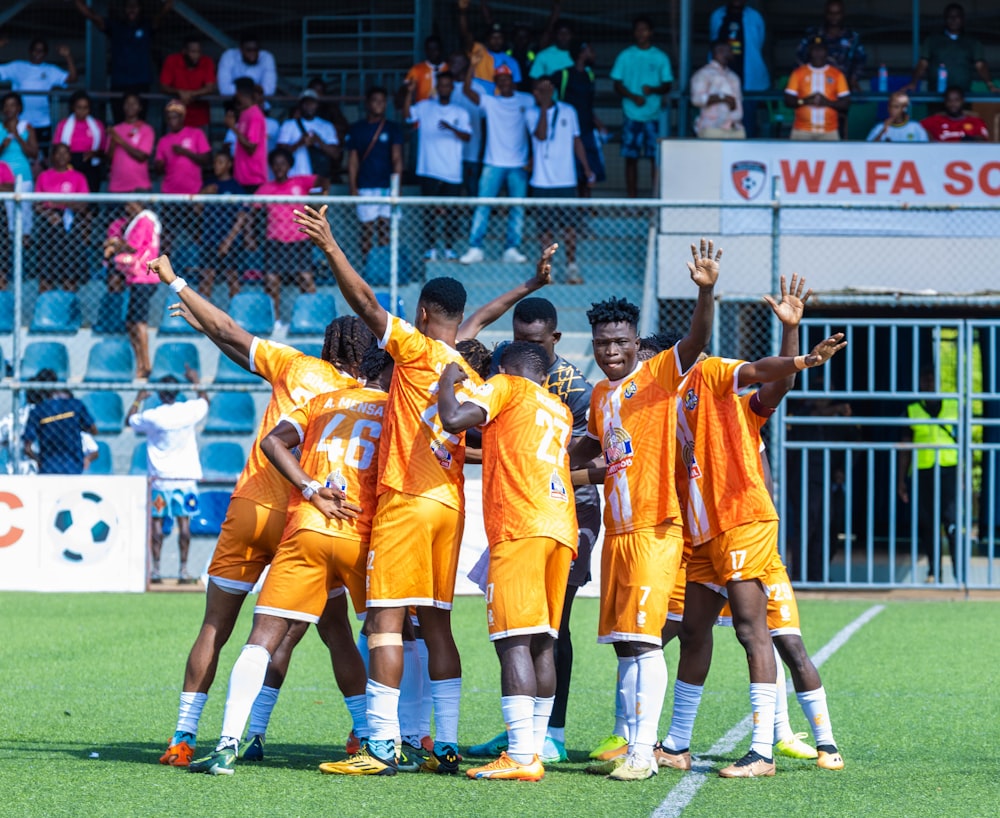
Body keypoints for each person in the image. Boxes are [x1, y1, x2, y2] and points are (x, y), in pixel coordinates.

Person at [293, 203, 554, 777]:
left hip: (406, 499)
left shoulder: (412, 349)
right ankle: (447, 742)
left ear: (420, 312)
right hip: (451, 505)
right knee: (436, 623)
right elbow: (481, 319)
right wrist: (530, 283)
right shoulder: (466, 365)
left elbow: (363, 303)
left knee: (384, 622)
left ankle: (380, 747)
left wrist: (333, 246)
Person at [150, 254, 374, 769]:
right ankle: (363, 733)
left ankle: (184, 737)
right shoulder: (365, 396)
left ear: (327, 346)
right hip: (311, 517)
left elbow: (231, 333)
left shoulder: (295, 368)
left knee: (215, 628)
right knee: (335, 628)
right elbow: (227, 338)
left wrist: (179, 284)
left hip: (254, 504)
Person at [655, 310, 846, 778]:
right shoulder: (659, 406)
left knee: (752, 630)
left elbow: (767, 378)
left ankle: (762, 752)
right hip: (703, 535)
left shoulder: (713, 377)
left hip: (742, 522)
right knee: (694, 632)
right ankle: (677, 745)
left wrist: (798, 352)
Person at [189, 345, 393, 776]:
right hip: (361, 534)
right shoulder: (397, 410)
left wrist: (309, 487)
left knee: (263, 637)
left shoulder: (319, 402)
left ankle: (227, 744)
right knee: (386, 635)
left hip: (308, 527)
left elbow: (271, 441)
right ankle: (386, 742)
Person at [565, 241, 720, 782]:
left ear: (636, 343)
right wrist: (545, 458)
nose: (612, 350)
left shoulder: (657, 375)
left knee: (647, 639)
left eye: (621, 341)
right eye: (604, 342)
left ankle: (643, 751)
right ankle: (635, 742)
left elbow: (697, 338)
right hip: (618, 533)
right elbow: (593, 451)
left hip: (657, 527)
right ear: (595, 344)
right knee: (627, 642)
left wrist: (704, 291)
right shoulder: (602, 398)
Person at [467, 294, 602, 765]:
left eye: (537, 340)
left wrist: (549, 471)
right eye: (522, 338)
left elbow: (597, 459)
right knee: (530, 631)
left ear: (556, 340)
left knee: (538, 631)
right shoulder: (530, 384)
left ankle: (543, 740)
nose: (529, 346)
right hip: (539, 511)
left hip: (558, 511)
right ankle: (527, 736)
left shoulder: (570, 389)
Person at [437, 341, 577, 782]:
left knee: (512, 640)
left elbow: (454, 419)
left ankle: (518, 756)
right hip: (561, 529)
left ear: (503, 368)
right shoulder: (559, 409)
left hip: (520, 526)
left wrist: (447, 382)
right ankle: (532, 750)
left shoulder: (504, 386)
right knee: (542, 643)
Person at [126, 368, 209, 584]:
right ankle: (183, 570)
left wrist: (137, 399)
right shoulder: (188, 410)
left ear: (160, 395)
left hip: (161, 480)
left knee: (156, 524)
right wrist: (196, 382)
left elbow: (129, 420)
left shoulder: (153, 416)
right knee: (184, 524)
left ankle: (156, 570)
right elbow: (205, 401)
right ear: (177, 393)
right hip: (186, 479)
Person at [459, 58, 531, 266]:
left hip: (519, 163)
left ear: (513, 80)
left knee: (517, 207)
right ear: (496, 82)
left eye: (507, 78)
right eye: (500, 79)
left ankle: (512, 248)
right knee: (483, 205)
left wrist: (533, 157)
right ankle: (475, 247)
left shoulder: (525, 100)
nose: (504, 82)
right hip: (493, 162)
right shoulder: (490, 101)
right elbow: (466, 91)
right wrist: (471, 66)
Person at [525, 74, 593, 284]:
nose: (541, 94)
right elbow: (542, 135)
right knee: (545, 229)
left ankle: (571, 266)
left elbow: (576, 140)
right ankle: (548, 268)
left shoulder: (568, 111)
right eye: (538, 90)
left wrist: (587, 169)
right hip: (542, 181)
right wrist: (545, 107)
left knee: (569, 227)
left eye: (545, 90)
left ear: (553, 90)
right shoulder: (531, 113)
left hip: (566, 180)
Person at [250, 147, 327, 319]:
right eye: (275, 165)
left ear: (289, 166)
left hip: (300, 239)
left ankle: (310, 318)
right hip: (275, 241)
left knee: (306, 279)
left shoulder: (300, 182)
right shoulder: (265, 189)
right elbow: (250, 211)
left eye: (283, 164)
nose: (279, 168)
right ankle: (275, 321)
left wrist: (321, 200)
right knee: (271, 281)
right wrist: (250, 235)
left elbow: (323, 181)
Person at [899, 367, 960, 583]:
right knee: (928, 524)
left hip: (949, 471)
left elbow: (966, 444)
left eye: (932, 379)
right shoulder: (913, 409)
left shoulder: (954, 406)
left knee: (952, 523)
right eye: (925, 379)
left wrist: (963, 478)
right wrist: (901, 481)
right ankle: (934, 571)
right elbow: (904, 448)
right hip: (923, 472)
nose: (928, 383)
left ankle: (958, 572)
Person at [402, 71, 471, 261]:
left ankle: (449, 248)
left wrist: (451, 128)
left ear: (452, 88)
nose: (444, 88)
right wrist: (410, 92)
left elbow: (467, 136)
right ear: (437, 87)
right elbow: (407, 116)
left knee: (452, 211)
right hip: (429, 168)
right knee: (429, 211)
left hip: (452, 171)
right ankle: (430, 248)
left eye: (448, 85)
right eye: (441, 85)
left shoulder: (460, 112)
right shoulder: (425, 107)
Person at [72, 0, 173, 121]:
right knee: (119, 122)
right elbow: (92, 16)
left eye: (135, 6)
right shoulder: (115, 26)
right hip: (119, 83)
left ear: (140, 9)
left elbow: (163, 13)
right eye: (128, 6)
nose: (131, 9)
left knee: (140, 123)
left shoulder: (147, 25)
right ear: (123, 10)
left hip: (141, 82)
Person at [611, 16, 673, 199]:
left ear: (651, 32)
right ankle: (632, 200)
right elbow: (616, 83)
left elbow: (668, 84)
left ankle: (655, 199)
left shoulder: (660, 56)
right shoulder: (625, 55)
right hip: (631, 114)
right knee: (631, 159)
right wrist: (632, 96)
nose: (641, 33)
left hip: (654, 115)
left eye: (644, 29)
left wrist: (653, 89)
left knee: (656, 159)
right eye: (638, 29)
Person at [344, 87, 403, 261]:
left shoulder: (393, 128)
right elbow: (353, 160)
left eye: (383, 101)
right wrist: (353, 186)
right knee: (367, 229)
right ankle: (367, 268)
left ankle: (384, 267)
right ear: (368, 103)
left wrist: (397, 186)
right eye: (375, 100)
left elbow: (397, 158)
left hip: (386, 186)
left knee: (385, 227)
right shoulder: (357, 129)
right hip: (365, 185)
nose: (379, 104)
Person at [104, 201, 161, 378]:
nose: (125, 208)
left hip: (144, 276)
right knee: (131, 322)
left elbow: (134, 246)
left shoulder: (144, 220)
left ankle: (145, 364)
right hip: (136, 277)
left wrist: (115, 244)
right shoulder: (139, 221)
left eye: (128, 204)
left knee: (139, 322)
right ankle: (141, 361)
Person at [904, 3, 998, 95]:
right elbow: (923, 63)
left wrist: (990, 85)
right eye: (950, 16)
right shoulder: (932, 40)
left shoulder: (972, 42)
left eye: (957, 16)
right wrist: (913, 83)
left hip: (962, 96)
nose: (953, 19)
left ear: (963, 19)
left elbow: (980, 65)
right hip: (936, 95)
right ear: (945, 19)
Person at [0, 37, 77, 148]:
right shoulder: (17, 67)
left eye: (42, 51)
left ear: (45, 54)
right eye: (35, 50)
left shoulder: (50, 70)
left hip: (43, 121)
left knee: (42, 156)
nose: (38, 53)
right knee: (19, 150)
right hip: (20, 121)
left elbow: (72, 79)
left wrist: (68, 56)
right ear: (30, 51)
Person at [33, 142, 89, 291]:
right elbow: (38, 204)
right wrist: (49, 213)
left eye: (65, 153)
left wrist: (57, 202)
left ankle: (69, 309)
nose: (62, 156)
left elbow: (83, 205)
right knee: (46, 275)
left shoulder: (78, 177)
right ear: (52, 157)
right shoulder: (44, 176)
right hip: (49, 225)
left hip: (71, 226)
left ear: (70, 156)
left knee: (70, 275)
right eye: (58, 153)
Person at [710, 0, 769, 138]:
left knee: (747, 121)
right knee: (720, 121)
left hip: (749, 78)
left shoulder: (754, 17)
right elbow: (714, 41)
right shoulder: (717, 16)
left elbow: (759, 42)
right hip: (721, 78)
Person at [556, 43, 608, 196]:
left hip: (586, 128)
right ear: (581, 54)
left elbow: (588, 105)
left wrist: (598, 123)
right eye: (590, 50)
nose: (594, 54)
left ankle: (585, 206)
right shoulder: (563, 74)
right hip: (568, 130)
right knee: (572, 168)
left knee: (589, 168)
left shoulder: (589, 75)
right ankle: (574, 207)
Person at [23, 371, 97, 475]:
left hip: (48, 466)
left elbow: (27, 448)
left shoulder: (38, 411)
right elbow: (93, 429)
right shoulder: (75, 405)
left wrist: (38, 460)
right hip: (74, 466)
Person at [198, 150, 248, 299]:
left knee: (232, 278)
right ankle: (202, 318)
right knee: (206, 278)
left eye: (220, 162)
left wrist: (228, 240)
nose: (216, 166)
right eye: (215, 162)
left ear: (229, 165)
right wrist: (204, 193)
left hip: (230, 241)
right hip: (210, 238)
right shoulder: (209, 185)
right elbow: (196, 210)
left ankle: (235, 317)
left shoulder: (235, 187)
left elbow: (242, 217)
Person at [784, 39, 850, 142]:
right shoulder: (798, 73)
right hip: (802, 131)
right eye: (814, 50)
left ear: (826, 52)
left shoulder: (837, 74)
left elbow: (845, 103)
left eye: (821, 50)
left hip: (829, 132)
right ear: (809, 52)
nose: (818, 54)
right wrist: (805, 101)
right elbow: (788, 100)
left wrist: (827, 102)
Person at [460, 0, 523, 94]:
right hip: (477, 98)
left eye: (500, 38)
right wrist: (462, 12)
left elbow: (514, 89)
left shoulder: (512, 62)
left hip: (499, 103)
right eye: (493, 38)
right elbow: (465, 34)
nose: (496, 41)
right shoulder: (479, 51)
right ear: (487, 39)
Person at [277, 90, 340, 181]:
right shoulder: (289, 125)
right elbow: (280, 153)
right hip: (293, 178)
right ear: (300, 105)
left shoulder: (326, 126)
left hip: (318, 179)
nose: (309, 106)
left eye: (312, 103)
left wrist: (318, 141)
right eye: (305, 103)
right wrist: (299, 143)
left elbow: (336, 154)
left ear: (317, 105)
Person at [447, 51, 486, 197]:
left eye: (456, 62)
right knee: (453, 191)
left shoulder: (478, 89)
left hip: (472, 150)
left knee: (472, 188)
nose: (452, 66)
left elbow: (484, 122)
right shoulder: (445, 87)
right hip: (450, 151)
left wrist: (483, 147)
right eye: (451, 62)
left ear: (465, 65)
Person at [0, 92, 37, 241]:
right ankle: (9, 245)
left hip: (24, 176)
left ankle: (23, 247)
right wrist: (3, 145)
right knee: (7, 215)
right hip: (3, 178)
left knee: (24, 212)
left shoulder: (26, 127)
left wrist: (18, 136)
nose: (10, 109)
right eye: (6, 105)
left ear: (19, 108)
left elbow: (34, 153)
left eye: (13, 105)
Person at [159, 36, 217, 131]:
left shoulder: (207, 61)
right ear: (184, 51)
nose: (196, 56)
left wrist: (189, 94)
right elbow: (163, 86)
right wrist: (179, 92)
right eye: (193, 52)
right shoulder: (172, 60)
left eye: (199, 52)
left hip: (200, 118)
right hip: (175, 118)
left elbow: (210, 87)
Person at [154, 99, 211, 195]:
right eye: (169, 118)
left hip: (193, 192)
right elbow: (159, 171)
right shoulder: (163, 141)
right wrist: (159, 165)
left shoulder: (196, 133)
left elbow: (206, 160)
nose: (172, 121)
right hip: (169, 192)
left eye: (175, 117)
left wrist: (185, 152)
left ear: (182, 117)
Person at [691, 40, 745, 139]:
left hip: (735, 128)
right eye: (729, 50)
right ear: (719, 52)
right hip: (712, 127)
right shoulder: (704, 74)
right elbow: (696, 100)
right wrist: (723, 98)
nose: (732, 53)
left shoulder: (733, 76)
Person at [54, 90, 105, 192]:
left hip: (90, 164)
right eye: (79, 107)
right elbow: (56, 147)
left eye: (85, 108)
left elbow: (103, 150)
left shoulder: (98, 125)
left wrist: (94, 154)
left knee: (90, 197)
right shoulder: (63, 125)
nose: (82, 111)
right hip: (69, 164)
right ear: (73, 107)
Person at [108, 92, 155, 192]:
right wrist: (113, 139)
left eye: (134, 103)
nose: (130, 106)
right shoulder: (116, 129)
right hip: (117, 187)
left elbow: (141, 156)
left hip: (139, 187)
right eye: (127, 103)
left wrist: (120, 141)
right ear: (123, 107)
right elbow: (109, 159)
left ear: (140, 108)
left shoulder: (146, 129)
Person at [229, 77, 268, 192]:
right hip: (242, 178)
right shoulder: (244, 113)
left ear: (238, 93)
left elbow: (251, 147)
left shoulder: (255, 115)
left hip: (253, 178)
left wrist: (232, 127)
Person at [217, 34, 277, 99]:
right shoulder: (229, 56)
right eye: (249, 50)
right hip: (235, 105)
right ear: (241, 49)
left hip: (259, 105)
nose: (253, 53)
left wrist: (240, 90)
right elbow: (224, 90)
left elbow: (269, 90)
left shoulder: (266, 57)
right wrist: (255, 90)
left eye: (255, 50)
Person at [921, 86, 990, 141]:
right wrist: (929, 138)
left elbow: (983, 140)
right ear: (945, 102)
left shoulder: (975, 121)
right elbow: (916, 128)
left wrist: (970, 140)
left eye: (956, 100)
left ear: (962, 101)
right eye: (949, 100)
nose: (953, 104)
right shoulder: (935, 120)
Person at [400, 36, 449, 104]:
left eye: (435, 49)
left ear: (441, 49)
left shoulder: (448, 68)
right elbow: (405, 89)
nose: (432, 52)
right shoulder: (417, 69)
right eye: (429, 49)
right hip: (422, 109)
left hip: (444, 108)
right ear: (426, 50)